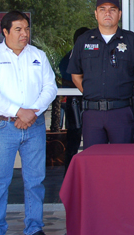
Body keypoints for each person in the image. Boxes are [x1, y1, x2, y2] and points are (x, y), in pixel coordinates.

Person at [0, 11, 57, 235]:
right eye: (19, 29)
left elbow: (50, 87)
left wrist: (32, 113)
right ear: (5, 31)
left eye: (27, 29)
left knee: (35, 181)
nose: (25, 34)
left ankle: (34, 227)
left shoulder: (38, 56)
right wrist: (18, 112)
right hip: (4, 127)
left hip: (35, 126)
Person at [67, 0, 134, 149]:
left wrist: (126, 94)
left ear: (119, 14)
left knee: (123, 160)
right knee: (94, 161)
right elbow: (75, 75)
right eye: (102, 9)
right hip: (92, 113)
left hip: (121, 111)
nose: (107, 13)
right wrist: (92, 93)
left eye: (112, 9)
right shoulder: (84, 40)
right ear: (96, 13)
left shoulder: (133, 41)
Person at [58, 27, 89, 173]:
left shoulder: (93, 56)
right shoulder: (69, 57)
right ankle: (68, 177)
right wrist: (85, 85)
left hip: (91, 103)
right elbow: (66, 80)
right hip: (74, 104)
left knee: (92, 142)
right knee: (73, 142)